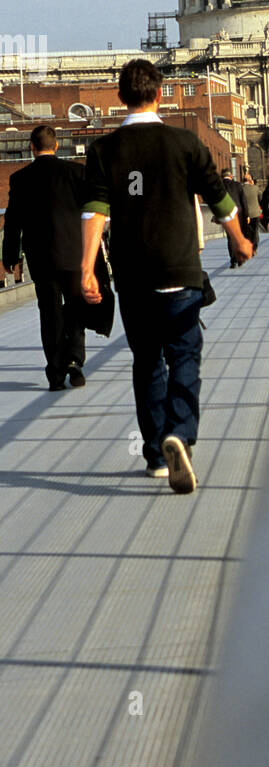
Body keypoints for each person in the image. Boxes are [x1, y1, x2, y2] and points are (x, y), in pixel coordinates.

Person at [80, 59, 253, 493]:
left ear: (120, 97)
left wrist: (87, 269)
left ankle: (157, 454)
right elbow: (220, 199)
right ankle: (181, 431)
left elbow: (94, 212)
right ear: (160, 94)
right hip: (180, 270)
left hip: (133, 275)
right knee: (185, 355)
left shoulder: (104, 151)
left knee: (146, 361)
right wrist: (239, 240)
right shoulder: (185, 144)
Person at [1, 125, 87, 390]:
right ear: (57, 145)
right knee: (75, 306)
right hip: (73, 252)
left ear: (31, 146)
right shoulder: (76, 172)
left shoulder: (20, 178)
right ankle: (74, 359)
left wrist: (10, 256)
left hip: (41, 257)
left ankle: (55, 371)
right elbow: (89, 214)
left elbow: (13, 221)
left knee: (49, 313)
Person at [221, 167, 248, 267]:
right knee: (238, 235)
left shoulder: (219, 186)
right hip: (239, 213)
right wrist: (247, 215)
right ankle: (240, 259)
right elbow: (243, 201)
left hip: (226, 214)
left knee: (230, 238)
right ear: (231, 176)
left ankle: (233, 260)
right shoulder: (237, 185)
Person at [240, 170, 261, 253]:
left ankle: (248, 247)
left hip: (245, 214)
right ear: (250, 180)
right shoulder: (255, 188)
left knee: (247, 232)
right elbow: (260, 197)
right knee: (255, 231)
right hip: (255, 213)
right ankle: (254, 248)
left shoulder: (241, 189)